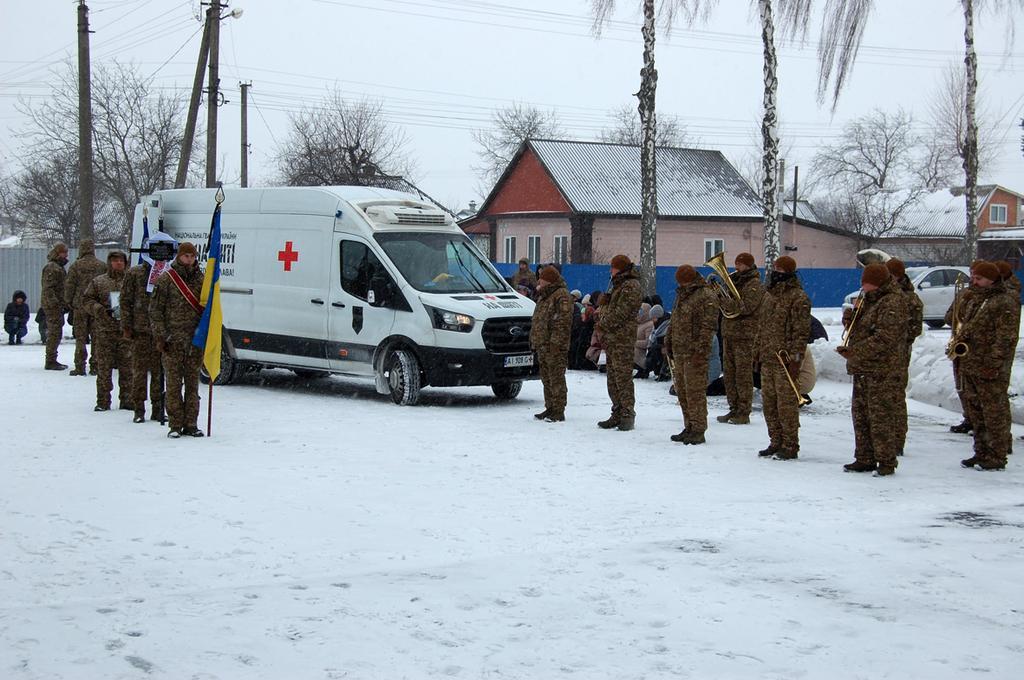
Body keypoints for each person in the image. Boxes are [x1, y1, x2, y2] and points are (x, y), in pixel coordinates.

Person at [835, 264, 906, 476]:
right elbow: (861, 330)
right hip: (864, 367)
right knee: (861, 415)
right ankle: (864, 457)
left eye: (866, 283)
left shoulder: (892, 302)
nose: (862, 287)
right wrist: (850, 319)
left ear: (877, 283)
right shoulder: (870, 300)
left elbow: (885, 338)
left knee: (880, 416)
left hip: (882, 369)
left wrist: (856, 351)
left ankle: (885, 460)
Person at [957, 261, 1018, 470]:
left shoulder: (1005, 301)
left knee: (993, 414)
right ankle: (981, 452)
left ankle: (996, 455)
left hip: (990, 366)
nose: (974, 281)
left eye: (979, 279)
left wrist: (993, 362)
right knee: (977, 413)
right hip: (972, 363)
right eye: (973, 278)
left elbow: (1006, 337)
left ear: (991, 280)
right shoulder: (976, 299)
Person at [755, 256, 811, 460]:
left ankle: (790, 444)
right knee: (769, 404)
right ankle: (775, 440)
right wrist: (757, 352)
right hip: (768, 357)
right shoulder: (769, 296)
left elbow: (801, 332)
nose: (775, 272)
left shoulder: (798, 297)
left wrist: (796, 359)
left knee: (786, 404)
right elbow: (761, 327)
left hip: (785, 360)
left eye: (779, 269)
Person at [150, 242, 206, 438]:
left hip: (194, 341)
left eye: (192, 256)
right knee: (173, 385)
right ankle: (175, 424)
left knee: (193, 385)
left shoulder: (202, 280)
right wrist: (161, 336)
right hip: (172, 341)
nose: (189, 259)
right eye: (186, 256)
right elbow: (156, 311)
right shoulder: (166, 279)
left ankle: (191, 423)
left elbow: (209, 310)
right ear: (179, 256)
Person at [665, 265, 717, 444]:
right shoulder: (683, 294)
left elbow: (707, 327)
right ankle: (689, 426)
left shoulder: (705, 296)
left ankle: (698, 429)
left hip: (694, 353)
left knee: (695, 392)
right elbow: (675, 319)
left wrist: (701, 351)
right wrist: (668, 340)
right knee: (683, 392)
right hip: (680, 351)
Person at [717, 252, 765, 425]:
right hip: (729, 332)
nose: (736, 267)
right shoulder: (734, 281)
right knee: (729, 374)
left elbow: (746, 307)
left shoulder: (754, 284)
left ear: (748, 266)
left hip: (745, 335)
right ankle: (733, 408)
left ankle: (743, 410)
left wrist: (726, 301)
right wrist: (718, 293)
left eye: (740, 265)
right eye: (736, 264)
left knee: (743, 374)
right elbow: (723, 304)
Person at [597, 254, 642, 431]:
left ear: (620, 268)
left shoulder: (631, 286)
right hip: (613, 338)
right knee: (613, 378)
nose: (611, 271)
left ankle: (627, 414)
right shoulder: (618, 285)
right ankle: (617, 411)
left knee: (623, 378)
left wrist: (603, 323)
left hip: (622, 338)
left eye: (613, 267)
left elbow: (623, 312)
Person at [83, 251, 133, 412]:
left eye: (121, 261)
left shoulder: (131, 282)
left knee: (127, 368)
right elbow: (87, 300)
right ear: (109, 263)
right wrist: (99, 309)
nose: (118, 263)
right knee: (104, 368)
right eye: (115, 261)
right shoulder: (99, 282)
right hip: (105, 331)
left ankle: (127, 399)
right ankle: (103, 400)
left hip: (126, 331)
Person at [885, 258, 923, 456]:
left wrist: (894, 337)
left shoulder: (909, 298)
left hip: (898, 354)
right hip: (881, 355)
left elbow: (914, 329)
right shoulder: (882, 296)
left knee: (895, 397)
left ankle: (897, 440)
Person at [121, 255, 164, 423]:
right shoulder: (135, 273)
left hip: (159, 332)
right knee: (139, 372)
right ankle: (139, 409)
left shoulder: (165, 273)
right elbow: (125, 301)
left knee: (159, 373)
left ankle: (158, 408)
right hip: (140, 331)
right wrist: (126, 326)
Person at [529, 266, 574, 422]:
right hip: (543, 344)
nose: (539, 281)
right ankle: (550, 407)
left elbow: (562, 322)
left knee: (556, 378)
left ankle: (558, 410)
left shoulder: (561, 296)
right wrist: (534, 339)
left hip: (554, 346)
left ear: (548, 280)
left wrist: (555, 343)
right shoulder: (544, 295)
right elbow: (538, 319)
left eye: (542, 278)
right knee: (546, 378)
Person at [64, 239, 108, 376]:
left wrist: (69, 302)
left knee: (81, 337)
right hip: (97, 306)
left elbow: (69, 286)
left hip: (80, 305)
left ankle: (80, 366)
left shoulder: (75, 266)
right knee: (97, 338)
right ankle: (95, 365)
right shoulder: (102, 266)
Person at [946, 262, 980, 435]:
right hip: (960, 343)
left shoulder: (988, 299)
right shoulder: (964, 293)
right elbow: (948, 317)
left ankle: (979, 422)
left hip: (975, 347)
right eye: (972, 274)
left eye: (977, 276)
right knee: (961, 384)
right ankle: (969, 417)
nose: (973, 279)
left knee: (976, 389)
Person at [40, 242, 69, 370]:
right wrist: (56, 304)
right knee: (55, 333)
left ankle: (52, 359)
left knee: (56, 332)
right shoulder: (53, 267)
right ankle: (50, 360)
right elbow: (48, 289)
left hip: (56, 305)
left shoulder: (58, 267)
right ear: (58, 253)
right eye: (64, 252)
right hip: (53, 306)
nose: (66, 255)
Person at [633, 302, 654, 376]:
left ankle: (642, 369)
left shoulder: (649, 325)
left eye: (641, 311)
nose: (639, 313)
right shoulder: (638, 323)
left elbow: (647, 342)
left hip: (642, 354)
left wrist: (633, 343)